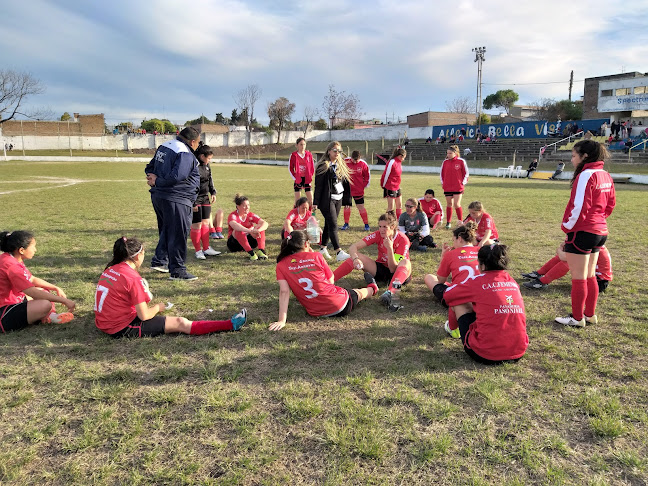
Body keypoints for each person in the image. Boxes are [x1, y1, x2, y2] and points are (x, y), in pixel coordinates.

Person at [94, 236, 247, 337]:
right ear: (137, 256)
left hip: (104, 321)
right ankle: (231, 325)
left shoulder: (110, 269)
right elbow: (144, 316)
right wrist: (158, 307)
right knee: (181, 323)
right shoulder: (132, 277)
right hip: (119, 328)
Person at [555, 140, 616, 327]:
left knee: (579, 277)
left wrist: (567, 227)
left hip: (582, 230)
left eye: (574, 156)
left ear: (585, 156)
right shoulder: (605, 175)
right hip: (600, 230)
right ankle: (589, 315)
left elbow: (579, 206)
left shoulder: (586, 175)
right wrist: (598, 220)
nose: (572, 160)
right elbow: (610, 204)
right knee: (590, 275)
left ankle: (577, 318)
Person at [268, 230, 378, 331]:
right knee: (358, 293)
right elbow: (331, 281)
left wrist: (282, 320)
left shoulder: (281, 265)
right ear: (306, 244)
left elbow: (284, 291)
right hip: (340, 305)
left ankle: (368, 287)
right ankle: (372, 288)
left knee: (348, 292)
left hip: (315, 312)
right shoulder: (316, 256)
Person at [443, 244, 528, 364]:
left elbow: (448, 295)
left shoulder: (477, 281)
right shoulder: (512, 282)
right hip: (518, 351)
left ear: (482, 265)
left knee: (460, 303)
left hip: (485, 354)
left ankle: (452, 329)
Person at [145, 126, 200, 281]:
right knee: (178, 234)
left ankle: (160, 261)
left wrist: (153, 179)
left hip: (161, 197)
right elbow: (178, 176)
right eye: (197, 143)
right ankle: (177, 270)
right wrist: (159, 181)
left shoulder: (165, 146)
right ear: (193, 141)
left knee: (167, 230)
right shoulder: (184, 153)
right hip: (176, 198)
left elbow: (149, 167)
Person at [333, 211, 411, 312]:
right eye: (380, 226)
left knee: (405, 262)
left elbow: (393, 269)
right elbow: (353, 247)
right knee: (358, 256)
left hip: (398, 274)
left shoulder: (402, 239)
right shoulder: (378, 234)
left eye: (385, 227)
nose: (381, 230)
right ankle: (329, 280)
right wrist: (355, 259)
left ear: (392, 227)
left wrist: (390, 249)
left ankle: (391, 293)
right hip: (381, 269)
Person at [1, 231, 75, 333]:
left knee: (43, 291)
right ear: (22, 250)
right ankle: (48, 316)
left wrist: (55, 288)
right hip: (3, 313)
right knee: (44, 304)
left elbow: (31, 279)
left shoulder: (11, 258)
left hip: (13, 302)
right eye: (33, 247)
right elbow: (31, 291)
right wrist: (64, 300)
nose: (35, 250)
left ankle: (49, 316)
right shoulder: (11, 265)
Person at [423, 222, 480, 338]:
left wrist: (444, 256)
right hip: (482, 298)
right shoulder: (481, 251)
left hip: (460, 298)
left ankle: (453, 326)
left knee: (429, 277)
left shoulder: (452, 254)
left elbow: (440, 280)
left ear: (459, 239)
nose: (453, 244)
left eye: (453, 240)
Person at [312, 141, 351, 262]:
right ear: (329, 151)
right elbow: (318, 186)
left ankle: (323, 248)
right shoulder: (323, 165)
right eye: (335, 150)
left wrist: (347, 201)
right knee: (333, 224)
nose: (337, 153)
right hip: (327, 200)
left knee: (329, 224)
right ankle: (338, 251)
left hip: (338, 198)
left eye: (339, 151)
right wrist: (315, 202)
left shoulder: (340, 165)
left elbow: (346, 184)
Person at [522, 244, 612, 292]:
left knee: (569, 260)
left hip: (598, 283)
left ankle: (542, 282)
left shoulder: (588, 242)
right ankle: (539, 274)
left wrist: (559, 250)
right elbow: (565, 246)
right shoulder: (589, 238)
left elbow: (565, 256)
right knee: (569, 257)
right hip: (594, 278)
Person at [189, 143, 222, 260]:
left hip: (205, 198)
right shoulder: (193, 165)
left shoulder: (207, 166)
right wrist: (192, 202)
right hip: (195, 199)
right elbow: (189, 184)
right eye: (208, 158)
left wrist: (213, 192)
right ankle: (198, 251)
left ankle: (207, 248)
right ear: (202, 156)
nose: (209, 161)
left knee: (206, 223)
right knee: (196, 225)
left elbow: (210, 179)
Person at [227, 194, 269, 261]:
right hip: (235, 244)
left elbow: (265, 223)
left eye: (248, 205)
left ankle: (261, 250)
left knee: (260, 226)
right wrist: (250, 231)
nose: (247, 207)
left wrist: (257, 230)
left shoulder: (250, 214)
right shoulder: (233, 216)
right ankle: (251, 253)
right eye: (244, 206)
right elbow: (235, 225)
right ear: (238, 206)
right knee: (238, 230)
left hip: (250, 241)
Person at [440, 144, 469, 229]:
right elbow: (441, 174)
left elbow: (466, 173)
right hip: (447, 187)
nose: (448, 155)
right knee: (449, 204)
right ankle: (448, 222)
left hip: (457, 187)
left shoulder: (461, 161)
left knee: (457, 204)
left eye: (450, 153)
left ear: (455, 153)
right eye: (447, 153)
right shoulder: (445, 162)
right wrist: (443, 183)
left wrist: (462, 183)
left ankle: (461, 222)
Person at [341, 151, 371, 231]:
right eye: (353, 160)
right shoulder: (345, 162)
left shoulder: (363, 164)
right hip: (347, 190)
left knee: (360, 207)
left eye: (356, 160)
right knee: (347, 206)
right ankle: (346, 224)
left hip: (358, 190)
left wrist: (362, 186)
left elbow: (367, 177)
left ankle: (366, 224)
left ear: (359, 158)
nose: (355, 162)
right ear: (351, 158)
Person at [288, 137, 315, 208]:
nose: (303, 146)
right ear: (296, 145)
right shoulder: (293, 155)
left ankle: (312, 216)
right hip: (298, 179)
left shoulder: (309, 154)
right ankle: (296, 217)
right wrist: (295, 178)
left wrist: (310, 176)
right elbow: (290, 168)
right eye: (301, 144)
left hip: (307, 179)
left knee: (311, 201)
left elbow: (312, 167)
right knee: (297, 201)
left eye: (304, 144)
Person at [380, 147, 406, 218]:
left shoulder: (399, 163)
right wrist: (383, 184)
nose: (404, 159)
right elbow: (385, 174)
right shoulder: (392, 162)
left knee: (399, 205)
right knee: (391, 207)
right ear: (400, 156)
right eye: (404, 157)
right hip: (390, 186)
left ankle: (399, 221)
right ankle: (389, 222)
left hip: (397, 186)